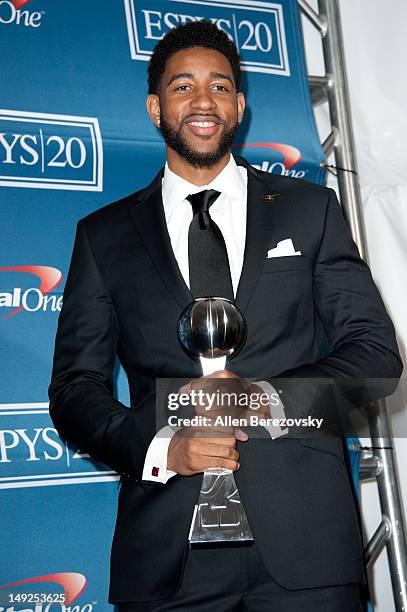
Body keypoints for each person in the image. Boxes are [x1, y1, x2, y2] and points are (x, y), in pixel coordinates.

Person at [48, 21, 402, 611]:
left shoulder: (309, 210)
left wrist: (262, 396)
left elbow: (375, 356)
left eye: (220, 86)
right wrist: (164, 448)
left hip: (308, 552)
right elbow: (74, 390)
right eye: (183, 86)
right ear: (156, 107)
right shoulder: (104, 237)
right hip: (167, 562)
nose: (203, 99)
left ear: (238, 105)